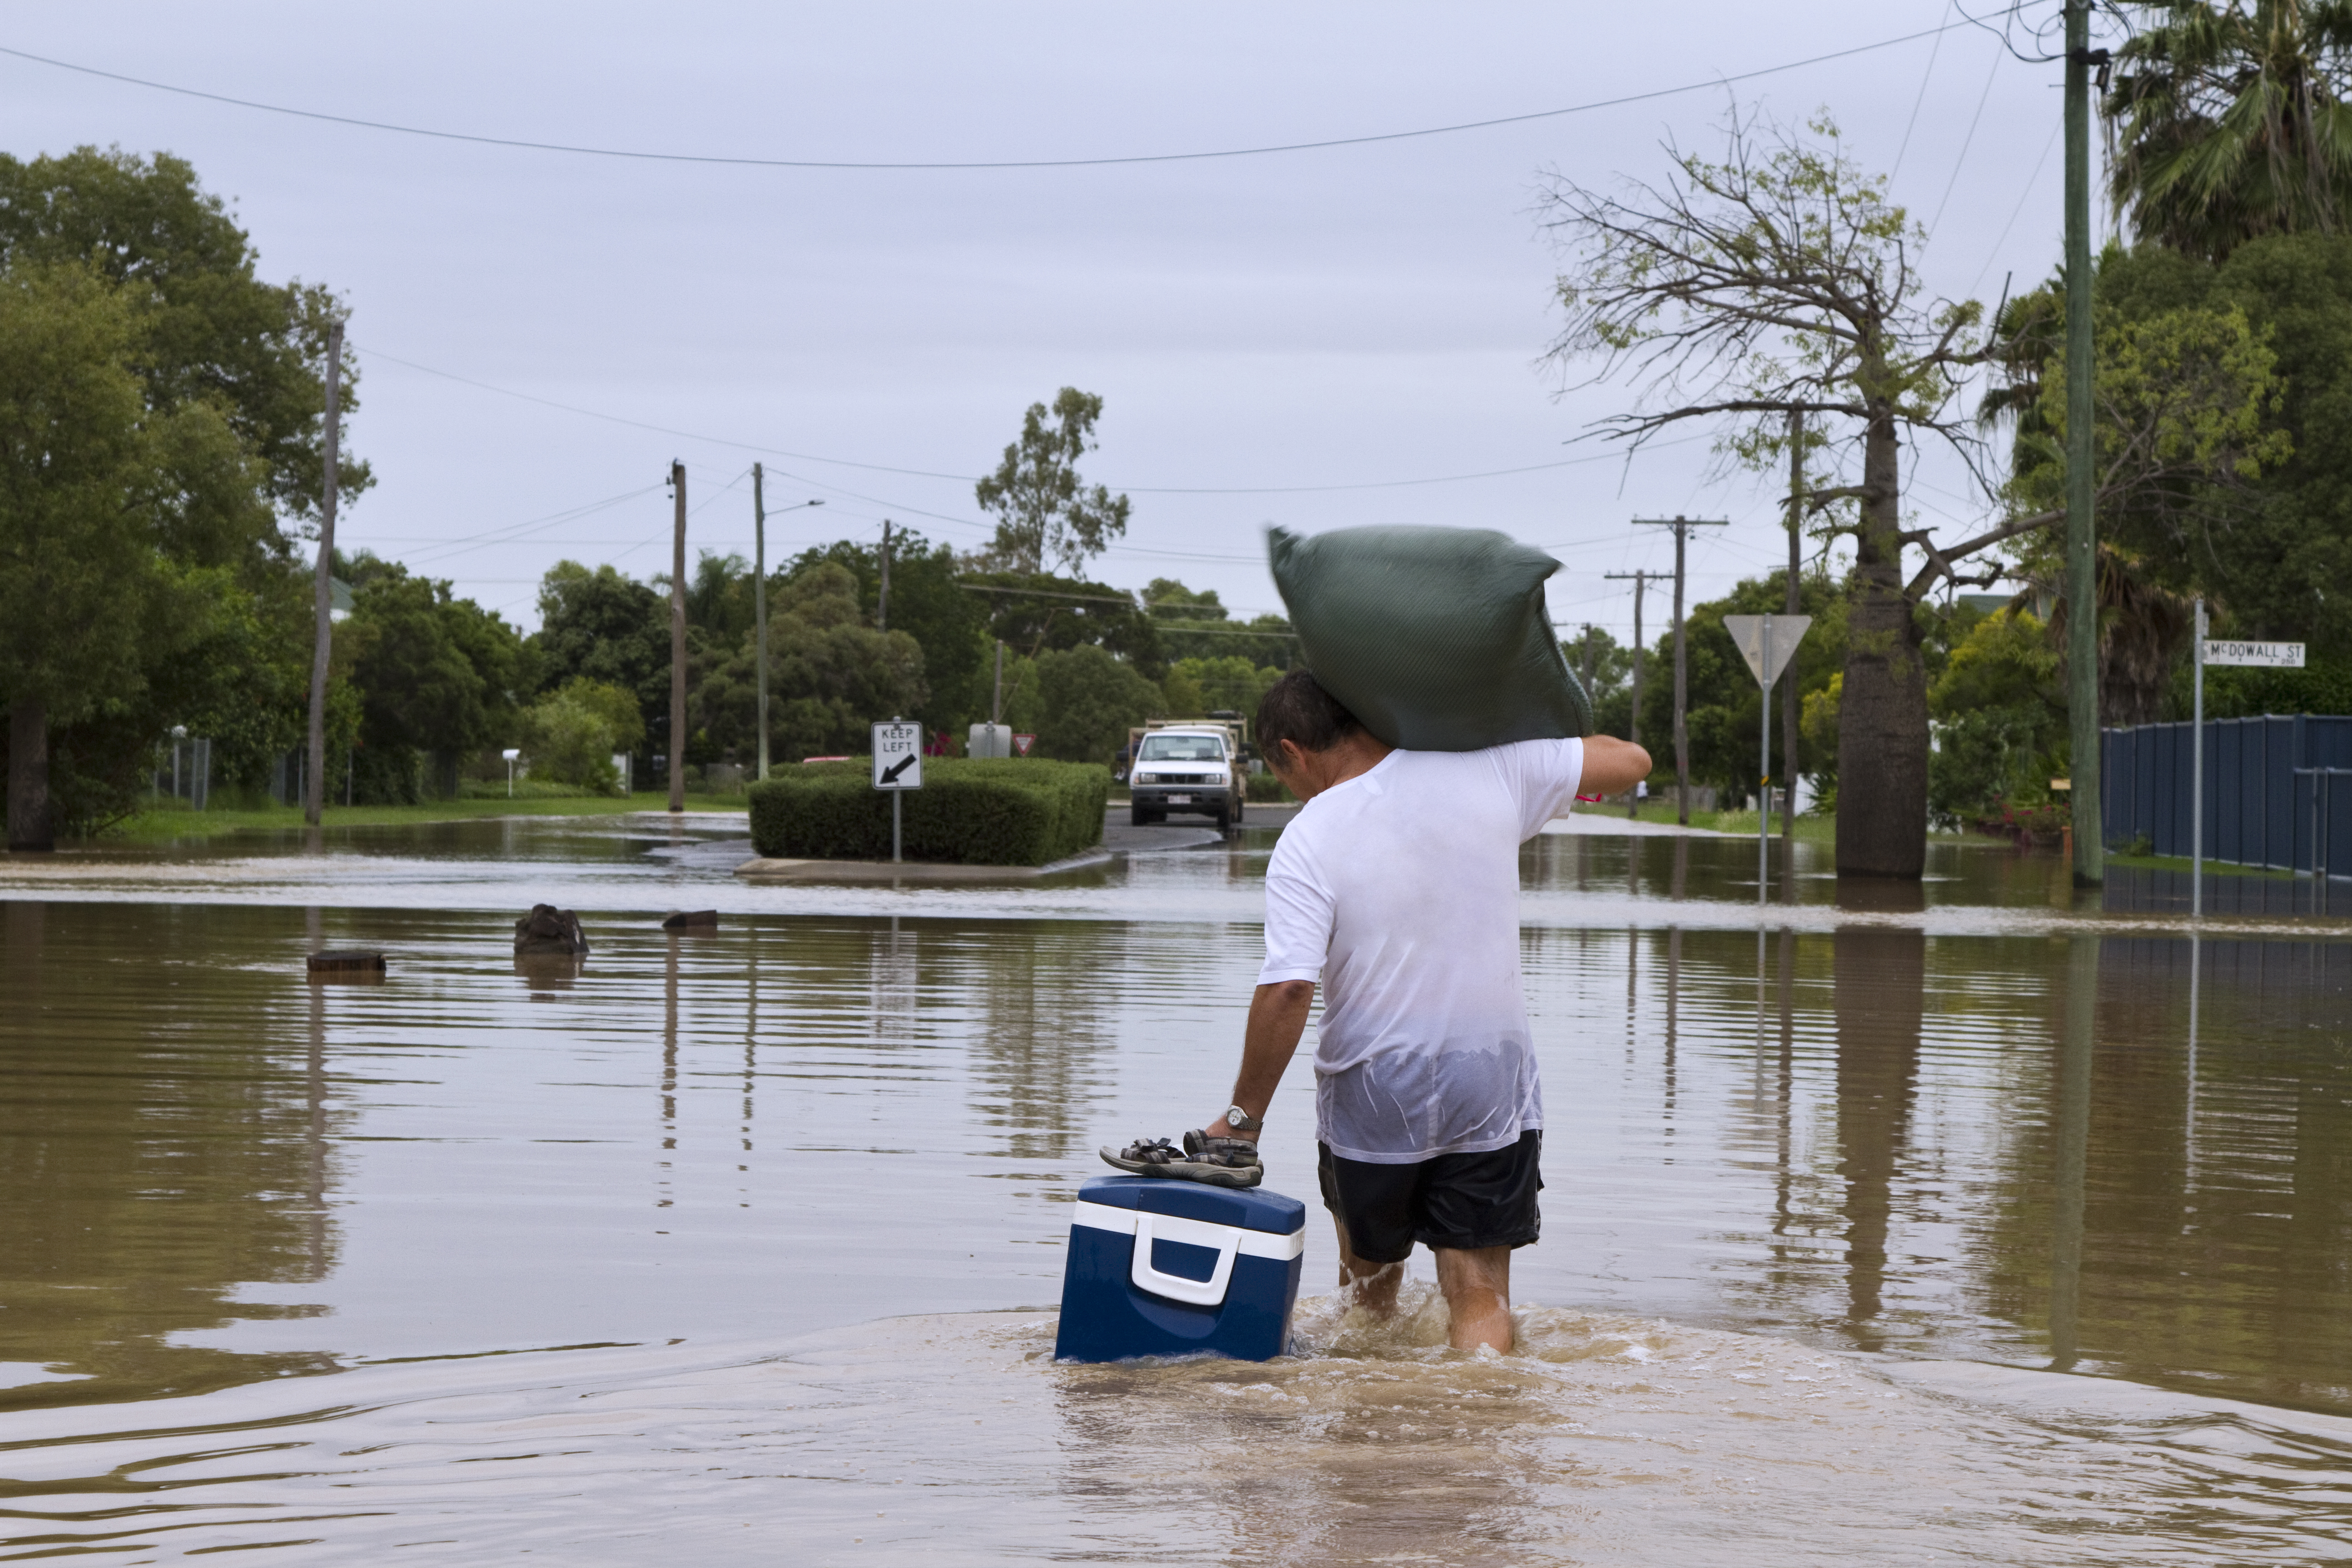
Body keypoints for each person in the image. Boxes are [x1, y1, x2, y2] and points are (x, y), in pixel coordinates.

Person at [1199, 670, 1651, 1352]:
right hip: (1489, 1084)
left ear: (1293, 751)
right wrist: (1507, 732)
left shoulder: (1310, 835)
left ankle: (1374, 1435)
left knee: (1367, 1292)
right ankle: (1482, 1419)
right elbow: (1632, 761)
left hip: (1373, 1089)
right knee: (1479, 1291)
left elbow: (1289, 989)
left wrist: (1241, 1121)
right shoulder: (1492, 770)